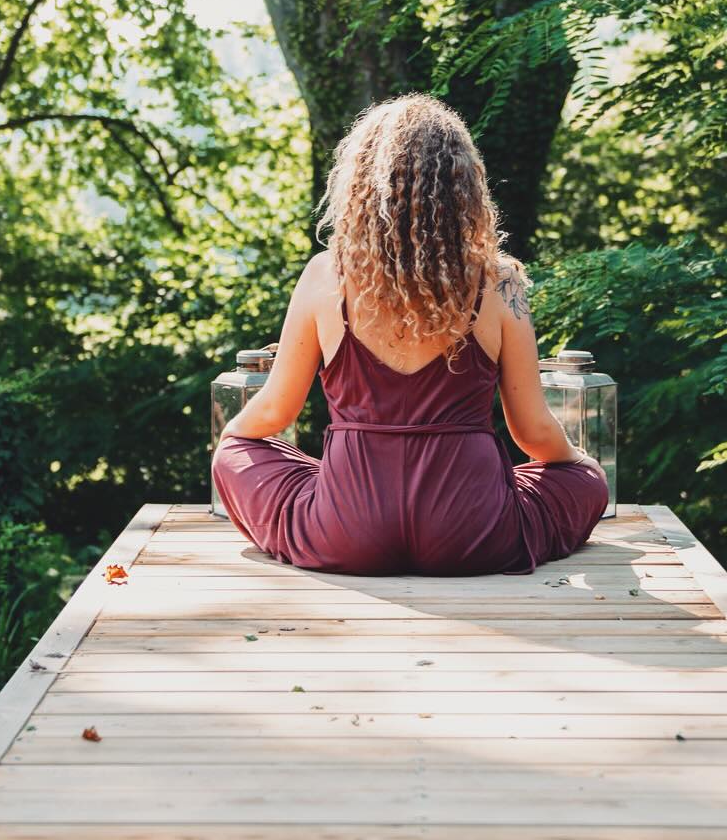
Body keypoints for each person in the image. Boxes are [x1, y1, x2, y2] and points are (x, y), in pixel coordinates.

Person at [212, 93, 609, 575]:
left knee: (235, 455)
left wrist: (230, 445)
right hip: (473, 534)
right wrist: (579, 463)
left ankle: (339, 487)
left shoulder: (325, 275)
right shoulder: (500, 282)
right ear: (463, 188)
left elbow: (274, 411)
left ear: (360, 186)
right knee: (586, 482)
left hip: (347, 532)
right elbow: (533, 433)